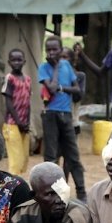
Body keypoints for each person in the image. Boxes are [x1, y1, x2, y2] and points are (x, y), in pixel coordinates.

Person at [38, 36, 86, 201]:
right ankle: (50, 192)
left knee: (73, 155)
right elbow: (50, 89)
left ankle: (81, 192)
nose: (51, 53)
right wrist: (57, 67)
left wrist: (61, 87)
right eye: (48, 50)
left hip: (66, 115)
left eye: (54, 49)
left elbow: (77, 90)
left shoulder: (67, 65)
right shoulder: (44, 68)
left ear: (60, 50)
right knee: (51, 156)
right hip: (50, 114)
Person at [2, 48, 32, 176]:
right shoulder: (9, 79)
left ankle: (18, 186)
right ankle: (12, 189)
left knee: (24, 158)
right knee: (16, 159)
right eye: (13, 60)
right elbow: (8, 103)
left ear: (24, 61)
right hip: (12, 124)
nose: (16, 63)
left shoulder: (28, 79)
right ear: (9, 62)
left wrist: (27, 122)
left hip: (23, 124)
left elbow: (28, 102)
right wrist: (19, 122)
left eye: (19, 60)